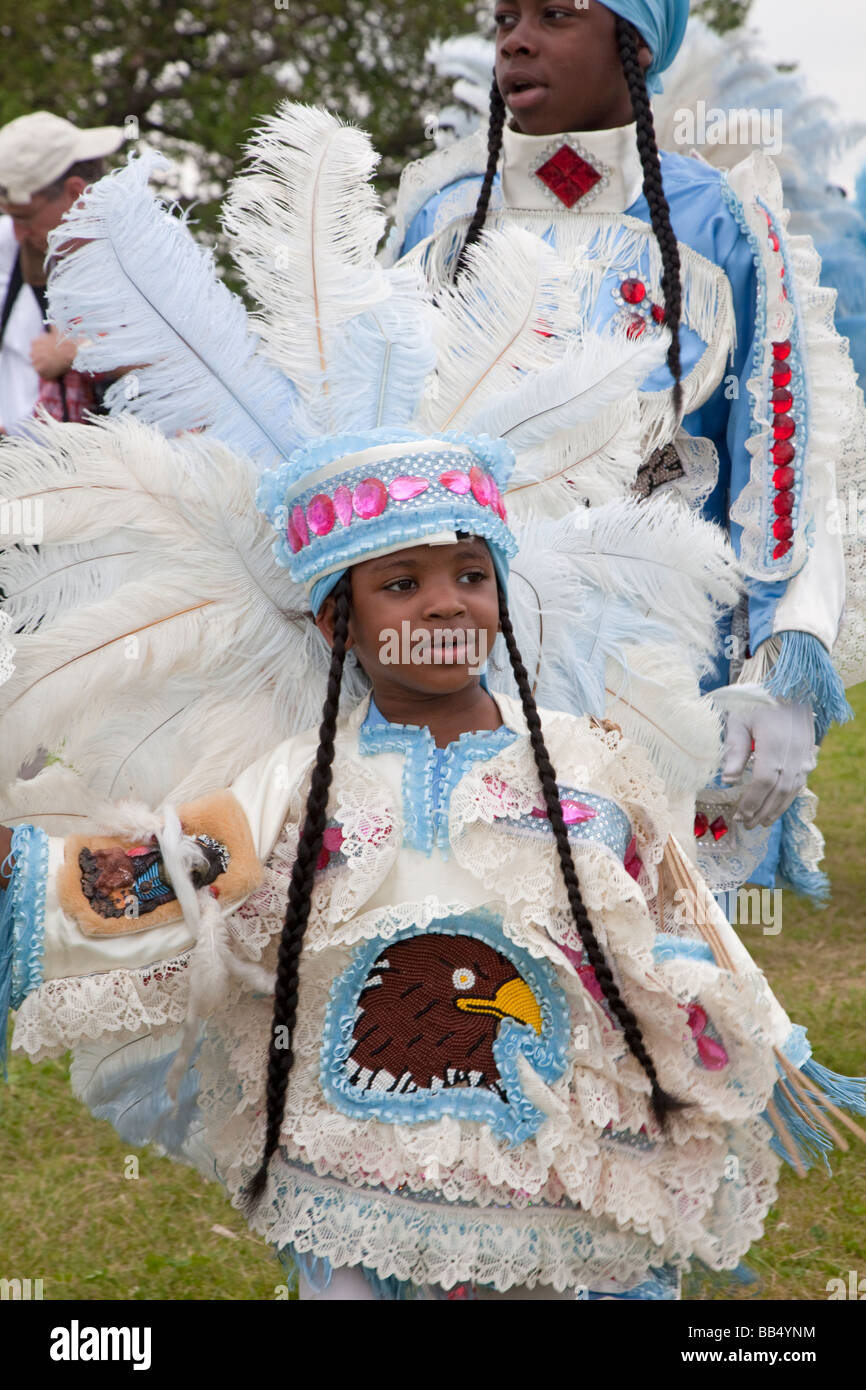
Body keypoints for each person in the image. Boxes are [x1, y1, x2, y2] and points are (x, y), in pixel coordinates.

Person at [1, 102, 864, 1303]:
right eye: (398, 581)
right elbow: (157, 873)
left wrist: (748, 1035)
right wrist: (18, 876)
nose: (441, 602)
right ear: (334, 617)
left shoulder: (586, 761)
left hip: (563, 1196)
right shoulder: (292, 786)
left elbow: (674, 921)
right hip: (357, 1194)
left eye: (468, 572)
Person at [385, 0, 866, 908]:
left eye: (555, 16)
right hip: (460, 658)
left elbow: (791, 453)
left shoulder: (723, 225)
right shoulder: (443, 227)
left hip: (657, 667)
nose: (516, 39)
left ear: (633, 46)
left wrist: (787, 658)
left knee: (653, 980)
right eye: (503, 19)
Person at [0, 111, 125, 435]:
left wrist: (78, 350)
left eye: (26, 218)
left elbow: (191, 355)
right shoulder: (9, 247)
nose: (17, 233)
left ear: (75, 192)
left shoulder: (142, 248)